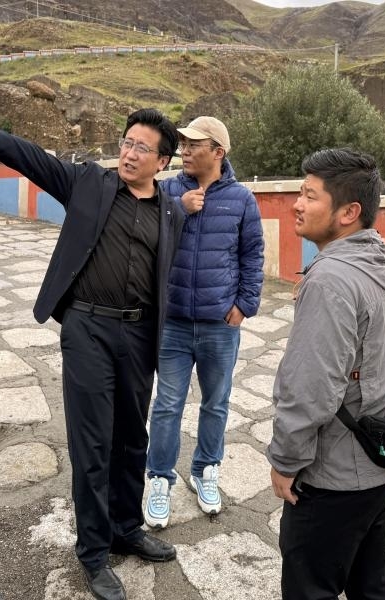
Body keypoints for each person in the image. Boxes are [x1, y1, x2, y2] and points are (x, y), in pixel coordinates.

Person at [0, 90, 185, 600]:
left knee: (132, 438)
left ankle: (126, 528)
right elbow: (28, 155)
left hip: (139, 333)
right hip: (88, 329)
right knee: (93, 444)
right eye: (126, 142)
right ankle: (94, 552)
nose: (129, 153)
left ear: (162, 162)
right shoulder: (88, 183)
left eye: (142, 148)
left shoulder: (170, 211)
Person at [267, 148, 385, 600]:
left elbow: (311, 389)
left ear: (349, 212)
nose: (297, 204)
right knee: (371, 583)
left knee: (310, 587)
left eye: (310, 196)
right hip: (379, 461)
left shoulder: (331, 279)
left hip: (336, 476)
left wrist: (286, 461)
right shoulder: (381, 262)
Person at [144, 116, 264, 528]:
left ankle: (205, 470)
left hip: (219, 325)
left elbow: (253, 255)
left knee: (216, 402)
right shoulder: (166, 191)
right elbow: (144, 235)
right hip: (173, 322)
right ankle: (160, 477)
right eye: (183, 144)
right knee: (167, 404)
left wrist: (245, 304)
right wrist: (178, 210)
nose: (184, 151)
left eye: (194, 145)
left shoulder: (242, 200)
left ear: (218, 152)